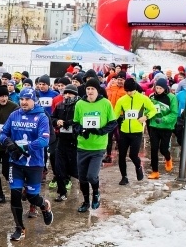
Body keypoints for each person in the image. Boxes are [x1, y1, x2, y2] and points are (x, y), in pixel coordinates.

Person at [0, 88, 54, 241]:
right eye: (21, 99)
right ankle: (19, 228)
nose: (23, 102)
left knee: (32, 196)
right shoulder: (14, 114)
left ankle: (44, 205)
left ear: (34, 100)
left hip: (34, 163)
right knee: (15, 195)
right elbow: (2, 134)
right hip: (15, 162)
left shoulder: (42, 117)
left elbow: (44, 140)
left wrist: (24, 148)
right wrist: (9, 144)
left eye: (27, 99)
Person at [73, 79, 118, 213]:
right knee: (82, 178)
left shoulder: (105, 103)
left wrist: (100, 131)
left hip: (98, 146)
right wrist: (81, 130)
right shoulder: (80, 104)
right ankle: (86, 201)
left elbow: (113, 122)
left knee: (91, 176)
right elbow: (75, 123)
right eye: (88, 89)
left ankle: (96, 194)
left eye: (92, 89)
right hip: (82, 146)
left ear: (97, 90)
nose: (90, 91)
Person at [114, 77, 157, 185]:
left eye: (131, 91)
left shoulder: (143, 98)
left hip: (137, 132)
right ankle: (124, 177)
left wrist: (146, 117)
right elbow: (114, 115)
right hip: (124, 131)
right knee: (122, 155)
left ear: (135, 89)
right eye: (127, 91)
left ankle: (138, 167)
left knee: (133, 155)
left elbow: (153, 110)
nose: (129, 93)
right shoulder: (122, 100)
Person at [49, 85, 80, 201]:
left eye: (70, 93)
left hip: (75, 140)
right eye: (65, 93)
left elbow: (81, 120)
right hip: (61, 139)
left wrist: (68, 123)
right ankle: (62, 193)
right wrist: (57, 121)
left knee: (75, 170)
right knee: (59, 167)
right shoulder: (60, 105)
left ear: (75, 95)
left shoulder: (80, 105)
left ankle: (86, 192)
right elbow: (52, 118)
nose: (67, 95)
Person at [147, 76, 178, 178]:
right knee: (154, 149)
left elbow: (174, 113)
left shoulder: (171, 97)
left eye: (161, 88)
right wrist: (147, 115)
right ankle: (155, 171)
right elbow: (147, 109)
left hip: (166, 127)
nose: (158, 90)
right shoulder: (152, 97)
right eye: (157, 88)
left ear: (165, 88)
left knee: (163, 149)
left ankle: (168, 158)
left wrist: (163, 119)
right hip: (154, 126)